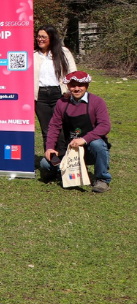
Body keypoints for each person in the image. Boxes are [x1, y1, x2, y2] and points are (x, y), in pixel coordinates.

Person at [39, 72, 111, 193]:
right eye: (73, 85)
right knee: (44, 163)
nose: (76, 88)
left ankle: (102, 179)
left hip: (90, 149)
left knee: (97, 144)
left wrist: (84, 139)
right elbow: (54, 126)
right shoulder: (62, 103)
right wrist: (50, 147)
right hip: (70, 148)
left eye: (80, 85)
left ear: (87, 85)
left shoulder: (97, 102)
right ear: (68, 86)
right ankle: (65, 172)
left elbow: (105, 126)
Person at [33, 25, 76, 156]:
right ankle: (51, 161)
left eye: (43, 37)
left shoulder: (63, 52)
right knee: (46, 130)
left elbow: (72, 73)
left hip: (59, 94)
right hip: (40, 96)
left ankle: (64, 159)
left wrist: (71, 91)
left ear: (51, 38)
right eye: (38, 36)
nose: (39, 39)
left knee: (61, 129)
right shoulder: (33, 55)